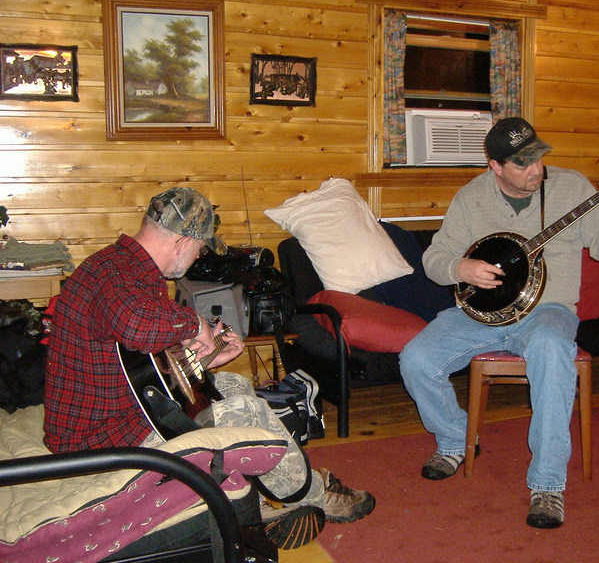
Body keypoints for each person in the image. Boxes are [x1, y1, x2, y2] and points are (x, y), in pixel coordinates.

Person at [43, 187, 374, 552]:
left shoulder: (127, 267)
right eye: (200, 248)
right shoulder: (116, 277)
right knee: (247, 410)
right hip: (100, 439)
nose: (198, 256)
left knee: (230, 383)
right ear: (184, 242)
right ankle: (314, 496)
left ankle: (254, 496)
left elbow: (138, 370)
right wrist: (194, 323)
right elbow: (137, 326)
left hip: (125, 412)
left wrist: (203, 360)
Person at [399, 117, 599, 529]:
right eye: (523, 164)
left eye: (539, 158)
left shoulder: (572, 187)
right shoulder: (471, 198)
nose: (536, 170)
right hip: (481, 315)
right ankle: (456, 438)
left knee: (551, 349)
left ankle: (547, 484)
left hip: (548, 310)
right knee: (416, 358)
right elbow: (435, 259)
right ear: (495, 166)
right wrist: (461, 268)